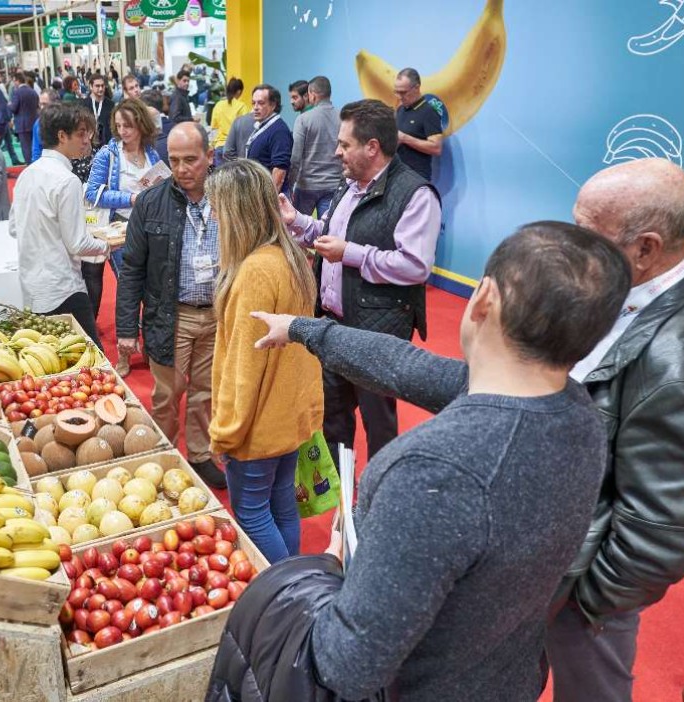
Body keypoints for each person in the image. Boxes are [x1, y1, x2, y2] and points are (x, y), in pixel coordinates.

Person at [232, 221, 632, 701]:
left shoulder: (431, 472)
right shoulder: (581, 415)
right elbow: (404, 365)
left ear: (483, 299)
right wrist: (302, 328)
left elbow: (347, 663)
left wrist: (324, 570)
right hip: (510, 674)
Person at [544, 158, 684, 702]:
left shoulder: (682, 363)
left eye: (587, 231)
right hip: (556, 560)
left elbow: (663, 526)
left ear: (645, 249)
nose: (571, 243)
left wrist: (588, 601)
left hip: (585, 592)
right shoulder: (617, 290)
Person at [280, 99, 441, 462]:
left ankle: (380, 490)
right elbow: (330, 235)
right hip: (333, 326)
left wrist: (350, 253)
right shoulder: (349, 185)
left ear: (372, 147)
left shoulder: (415, 195)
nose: (336, 152)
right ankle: (341, 492)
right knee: (333, 418)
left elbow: (415, 266)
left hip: (377, 333)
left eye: (344, 144)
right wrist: (298, 222)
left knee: (378, 425)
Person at [206, 159, 323, 562]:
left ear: (236, 212)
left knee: (253, 515)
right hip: (288, 416)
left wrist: (225, 432)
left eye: (217, 209)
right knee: (282, 504)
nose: (214, 218)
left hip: (258, 425)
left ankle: (282, 588)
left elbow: (244, 367)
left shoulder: (254, 272)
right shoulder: (288, 257)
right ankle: (294, 584)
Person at [116, 122, 228, 490]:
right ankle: (164, 457)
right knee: (167, 394)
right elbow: (132, 268)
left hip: (217, 315)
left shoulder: (229, 198)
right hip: (171, 317)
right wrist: (126, 329)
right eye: (174, 160)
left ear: (209, 156)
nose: (181, 169)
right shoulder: (151, 202)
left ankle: (199, 455)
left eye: (190, 160)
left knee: (206, 393)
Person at [9, 103, 109, 345]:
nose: (86, 141)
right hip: (63, 289)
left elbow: (13, 227)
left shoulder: (27, 174)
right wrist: (107, 245)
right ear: (62, 136)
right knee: (92, 359)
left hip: (32, 287)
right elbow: (77, 244)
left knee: (54, 358)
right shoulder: (67, 180)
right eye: (81, 134)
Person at [85, 98, 162, 373]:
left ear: (141, 124)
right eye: (118, 125)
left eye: (128, 125)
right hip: (120, 230)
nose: (123, 131)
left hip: (151, 227)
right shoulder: (108, 154)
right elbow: (93, 193)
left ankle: (151, 349)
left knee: (153, 290)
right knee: (129, 291)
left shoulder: (151, 152)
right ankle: (124, 356)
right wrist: (131, 198)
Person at [289, 75, 343, 216]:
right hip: (334, 184)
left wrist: (290, 184)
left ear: (312, 94)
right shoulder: (343, 118)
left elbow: (295, 158)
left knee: (298, 227)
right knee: (327, 227)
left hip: (306, 185)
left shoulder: (303, 119)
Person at [394, 68, 444, 181]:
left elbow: (436, 148)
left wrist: (405, 138)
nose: (399, 96)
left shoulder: (429, 112)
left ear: (416, 88)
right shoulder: (400, 110)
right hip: (398, 175)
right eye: (397, 92)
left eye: (403, 92)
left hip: (417, 178)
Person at [246, 84, 293, 192]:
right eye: (253, 103)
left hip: (268, 195)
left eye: (261, 103)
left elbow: (280, 170)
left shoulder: (279, 131)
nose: (255, 107)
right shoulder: (263, 126)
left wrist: (269, 199)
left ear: (273, 105)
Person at [209, 77, 249, 165]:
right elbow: (245, 129)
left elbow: (214, 129)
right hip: (234, 149)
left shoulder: (218, 105)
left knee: (220, 173)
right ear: (239, 91)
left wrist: (212, 146)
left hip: (219, 146)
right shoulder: (242, 106)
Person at [0, 70, 22, 165]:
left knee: (8, 141)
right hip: (2, 119)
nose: (1, 78)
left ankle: (14, 159)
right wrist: (9, 118)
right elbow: (2, 106)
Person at [10, 71, 40, 165]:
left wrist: (9, 105)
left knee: (26, 148)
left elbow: (13, 108)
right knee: (34, 147)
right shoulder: (33, 92)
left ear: (17, 81)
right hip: (34, 122)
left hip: (22, 125)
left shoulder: (17, 92)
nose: (14, 83)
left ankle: (30, 166)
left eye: (14, 81)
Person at [83, 74, 114, 148]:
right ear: (91, 86)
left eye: (102, 86)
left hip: (106, 145)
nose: (101, 89)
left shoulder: (110, 104)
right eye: (97, 86)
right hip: (87, 144)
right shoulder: (83, 104)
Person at [30, 88, 58, 164]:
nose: (42, 107)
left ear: (55, 103)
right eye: (40, 104)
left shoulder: (66, 120)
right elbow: (36, 150)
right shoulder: (38, 123)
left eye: (45, 104)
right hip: (46, 164)